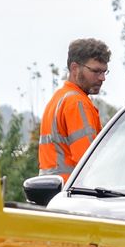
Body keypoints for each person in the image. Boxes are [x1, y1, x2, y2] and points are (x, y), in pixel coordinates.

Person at [38, 38, 111, 181]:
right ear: (74, 68)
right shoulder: (76, 103)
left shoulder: (59, 98)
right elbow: (90, 163)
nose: (102, 78)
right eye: (96, 71)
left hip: (54, 193)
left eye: (104, 72)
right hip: (74, 194)